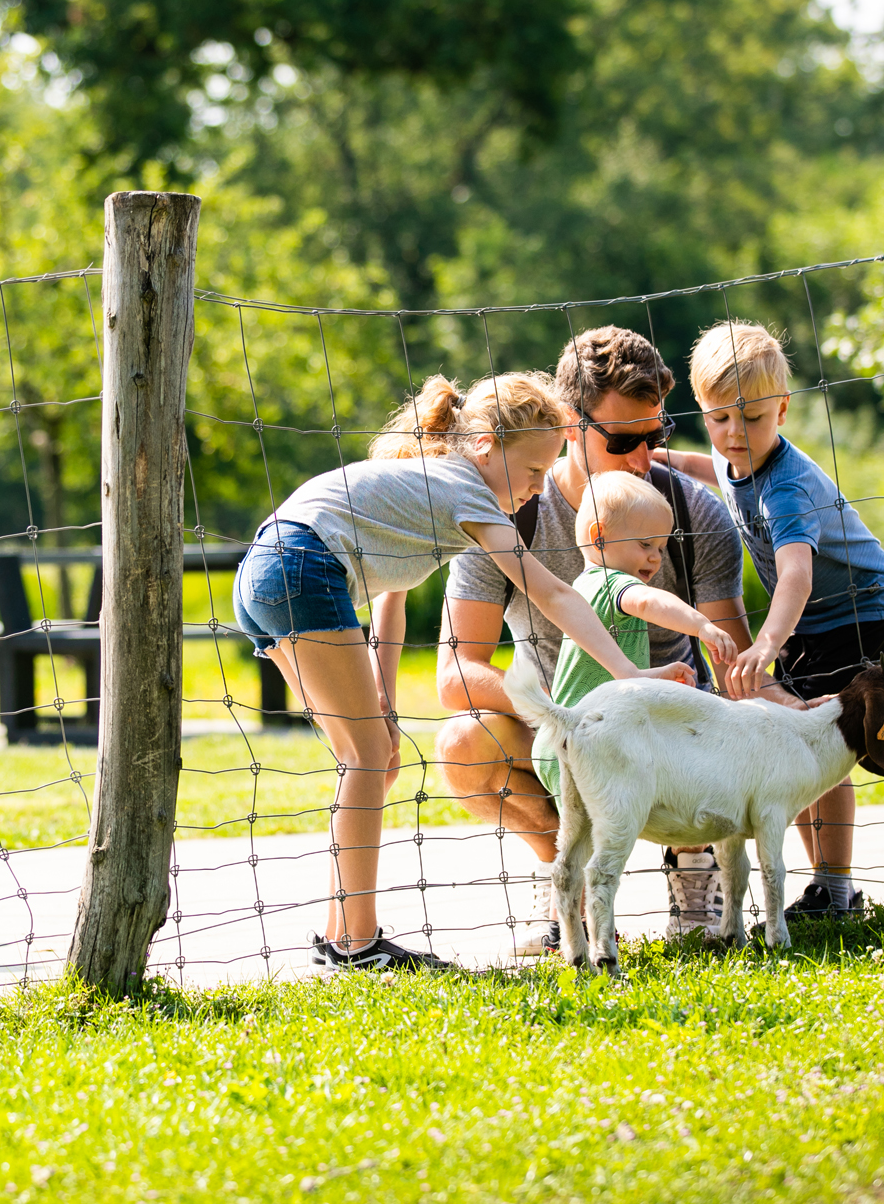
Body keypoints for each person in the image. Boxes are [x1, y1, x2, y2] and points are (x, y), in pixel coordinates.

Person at [232, 371, 695, 972]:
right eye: (532, 472)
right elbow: (554, 594)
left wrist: (384, 704)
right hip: (298, 566)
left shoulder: (429, 486)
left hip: (269, 572)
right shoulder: (466, 492)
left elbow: (388, 605)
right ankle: (358, 946)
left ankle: (339, 935)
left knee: (371, 755)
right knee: (367, 758)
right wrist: (630, 673)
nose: (536, 489)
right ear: (484, 446)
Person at [433, 326, 768, 955]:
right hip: (563, 730)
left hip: (669, 731)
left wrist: (796, 713)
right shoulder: (506, 513)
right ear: (568, 424)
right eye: (623, 440)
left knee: (722, 718)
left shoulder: (694, 513)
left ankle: (694, 872)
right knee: (463, 742)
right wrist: (577, 714)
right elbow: (457, 672)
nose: (643, 458)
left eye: (656, 436)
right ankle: (564, 873)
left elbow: (729, 661)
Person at [657, 320, 884, 920]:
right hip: (810, 619)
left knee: (818, 740)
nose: (734, 434)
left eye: (752, 419)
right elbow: (707, 465)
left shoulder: (787, 489)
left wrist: (766, 646)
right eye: (719, 419)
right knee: (789, 730)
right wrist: (655, 455)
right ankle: (827, 883)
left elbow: (796, 575)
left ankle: (836, 888)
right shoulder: (732, 455)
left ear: (784, 410)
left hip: (858, 612)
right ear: (704, 410)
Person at [530, 471, 737, 802]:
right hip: (589, 740)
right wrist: (701, 625)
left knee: (593, 839)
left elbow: (606, 671)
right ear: (599, 537)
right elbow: (648, 601)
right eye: (645, 545)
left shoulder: (583, 585)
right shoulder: (613, 583)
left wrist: (652, 677)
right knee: (679, 786)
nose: (656, 557)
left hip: (566, 737)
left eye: (660, 547)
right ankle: (694, 847)